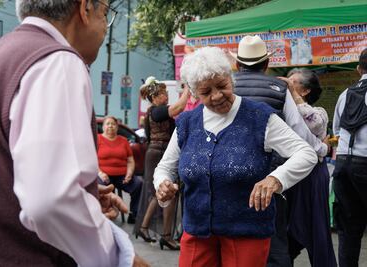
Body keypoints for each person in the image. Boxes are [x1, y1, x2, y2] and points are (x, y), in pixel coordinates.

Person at [0, 1, 148, 266]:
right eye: (106, 13)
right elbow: (51, 200)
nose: (105, 28)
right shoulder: (57, 61)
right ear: (85, 9)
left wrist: (83, 194)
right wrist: (120, 258)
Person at [154, 46, 317, 267]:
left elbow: (306, 153)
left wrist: (275, 179)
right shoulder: (187, 123)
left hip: (247, 230)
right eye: (206, 92)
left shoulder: (259, 117)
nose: (217, 96)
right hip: (197, 229)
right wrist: (163, 184)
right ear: (194, 94)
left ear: (232, 78)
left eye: (222, 86)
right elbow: (165, 168)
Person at [231, 35, 328, 267]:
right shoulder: (278, 88)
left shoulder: (225, 87)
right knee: (275, 244)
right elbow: (299, 134)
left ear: (237, 64)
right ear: (266, 64)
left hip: (229, 174)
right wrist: (321, 148)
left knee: (232, 239)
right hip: (270, 177)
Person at [280, 68, 337, 266]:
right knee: (286, 227)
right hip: (289, 174)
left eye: (292, 82)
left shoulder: (318, 113)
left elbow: (315, 125)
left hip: (312, 176)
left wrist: (292, 94)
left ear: (304, 91)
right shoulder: (282, 111)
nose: (287, 84)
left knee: (315, 226)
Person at [134, 76, 190, 249]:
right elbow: (179, 107)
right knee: (165, 191)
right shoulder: (156, 111)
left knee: (159, 192)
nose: (166, 96)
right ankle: (165, 235)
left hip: (158, 152)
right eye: (163, 94)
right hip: (158, 152)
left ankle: (145, 228)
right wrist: (188, 87)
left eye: (166, 93)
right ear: (154, 97)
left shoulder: (155, 112)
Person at [332, 48, 367, 267]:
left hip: (343, 164)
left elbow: (337, 129)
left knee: (348, 230)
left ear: (358, 69)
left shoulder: (345, 93)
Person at [98, 116, 143, 224]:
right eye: (108, 124)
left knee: (138, 183)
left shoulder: (123, 141)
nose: (110, 126)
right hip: (104, 175)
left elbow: (130, 160)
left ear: (117, 127)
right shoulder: (97, 139)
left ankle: (133, 214)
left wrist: (129, 173)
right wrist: (100, 173)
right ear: (103, 127)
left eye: (113, 124)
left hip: (122, 176)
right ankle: (105, 215)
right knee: (102, 188)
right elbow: (91, 160)